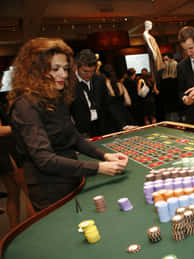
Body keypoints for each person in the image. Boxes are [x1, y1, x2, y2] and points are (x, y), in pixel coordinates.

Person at [8, 37, 128, 210]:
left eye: (65, 68)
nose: (63, 74)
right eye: (55, 69)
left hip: (72, 179)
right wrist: (98, 167)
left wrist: (104, 156)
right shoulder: (25, 105)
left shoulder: (56, 98)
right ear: (36, 71)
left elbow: (74, 137)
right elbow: (45, 160)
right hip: (49, 189)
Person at [1, 101, 35, 227]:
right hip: (8, 150)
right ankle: (35, 230)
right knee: (29, 193)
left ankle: (14, 231)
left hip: (6, 151)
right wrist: (19, 126)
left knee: (13, 193)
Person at [71, 49, 109, 137]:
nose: (89, 75)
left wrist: (123, 124)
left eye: (92, 71)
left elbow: (107, 103)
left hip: (100, 127)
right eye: (85, 71)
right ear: (77, 67)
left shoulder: (99, 79)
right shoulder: (69, 83)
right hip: (80, 131)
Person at [99, 64, 134, 132]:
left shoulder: (102, 85)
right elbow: (128, 102)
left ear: (102, 74)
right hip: (125, 116)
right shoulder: (120, 83)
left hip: (112, 120)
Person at [156, 53, 182, 122]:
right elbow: (158, 87)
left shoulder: (179, 73)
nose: (165, 62)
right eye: (163, 60)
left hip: (174, 105)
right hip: (168, 105)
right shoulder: (160, 73)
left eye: (166, 60)